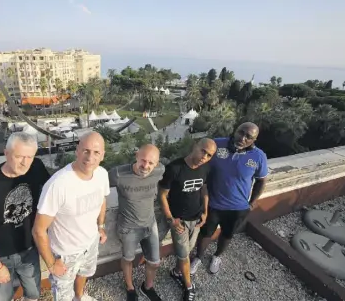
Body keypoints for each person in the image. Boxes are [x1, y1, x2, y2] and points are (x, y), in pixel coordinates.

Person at [0, 132, 51, 301]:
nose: (25, 162)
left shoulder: (36, 167)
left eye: (29, 157)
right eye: (19, 156)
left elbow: (53, 194)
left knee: (34, 293)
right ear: (6, 153)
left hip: (29, 249)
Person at [33, 132, 109, 301]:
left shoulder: (102, 174)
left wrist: (100, 227)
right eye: (86, 151)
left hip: (91, 243)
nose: (90, 157)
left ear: (103, 155)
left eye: (96, 152)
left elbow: (102, 199)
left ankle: (80, 296)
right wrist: (52, 264)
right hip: (66, 254)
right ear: (77, 151)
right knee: (62, 295)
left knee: (84, 273)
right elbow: (38, 230)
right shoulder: (58, 184)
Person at [191, 122, 268, 275]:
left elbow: (261, 180)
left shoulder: (259, 156)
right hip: (212, 204)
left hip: (238, 208)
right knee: (205, 233)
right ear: (235, 130)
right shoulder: (217, 144)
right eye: (241, 132)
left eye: (249, 137)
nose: (243, 138)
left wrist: (252, 203)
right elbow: (200, 163)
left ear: (254, 140)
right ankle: (198, 257)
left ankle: (217, 256)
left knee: (227, 234)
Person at [158, 138, 217, 301]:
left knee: (188, 250)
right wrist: (171, 219)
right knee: (184, 255)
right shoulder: (174, 168)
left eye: (209, 155)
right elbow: (162, 194)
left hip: (197, 219)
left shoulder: (205, 168)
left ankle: (176, 273)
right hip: (180, 221)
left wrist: (205, 211)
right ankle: (189, 286)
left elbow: (204, 188)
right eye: (203, 151)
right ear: (195, 146)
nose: (204, 157)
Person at [109, 144, 165, 301]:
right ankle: (130, 288)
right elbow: (98, 186)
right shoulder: (118, 174)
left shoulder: (159, 171)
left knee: (154, 262)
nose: (146, 166)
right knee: (128, 259)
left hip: (150, 224)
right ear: (136, 155)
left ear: (157, 163)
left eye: (151, 163)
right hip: (128, 227)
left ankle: (147, 287)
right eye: (143, 160)